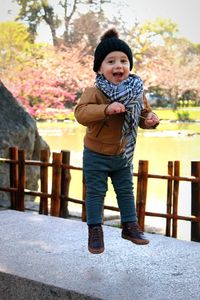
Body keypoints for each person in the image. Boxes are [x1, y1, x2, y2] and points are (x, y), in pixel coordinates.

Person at [74, 28, 159, 254]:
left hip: (122, 154)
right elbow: (81, 113)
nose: (118, 65)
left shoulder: (137, 91)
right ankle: (95, 230)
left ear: (129, 66)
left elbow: (143, 114)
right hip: (96, 154)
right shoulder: (93, 91)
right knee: (95, 192)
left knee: (125, 190)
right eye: (110, 61)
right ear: (100, 68)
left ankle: (130, 226)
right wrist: (106, 109)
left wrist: (150, 119)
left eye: (123, 60)